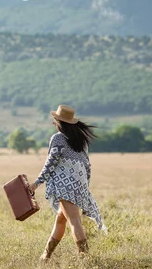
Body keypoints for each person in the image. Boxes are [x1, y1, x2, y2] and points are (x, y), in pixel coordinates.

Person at [29, 104, 107, 260]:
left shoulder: (58, 138)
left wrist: (36, 184)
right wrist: (85, 188)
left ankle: (85, 258)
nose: (53, 123)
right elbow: (87, 166)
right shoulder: (81, 140)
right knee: (61, 219)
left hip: (65, 186)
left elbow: (49, 165)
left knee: (74, 221)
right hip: (80, 185)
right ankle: (45, 255)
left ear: (59, 122)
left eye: (55, 120)